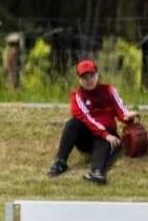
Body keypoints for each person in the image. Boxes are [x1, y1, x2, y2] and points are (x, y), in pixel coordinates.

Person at [47, 58, 139, 186]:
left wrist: (128, 117)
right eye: (85, 77)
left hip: (107, 134)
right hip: (88, 136)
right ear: (79, 79)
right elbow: (86, 118)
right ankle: (60, 162)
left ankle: (97, 172)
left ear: (97, 75)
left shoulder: (109, 90)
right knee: (72, 123)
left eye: (92, 75)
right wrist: (105, 135)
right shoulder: (77, 96)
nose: (89, 80)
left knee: (104, 143)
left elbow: (120, 110)